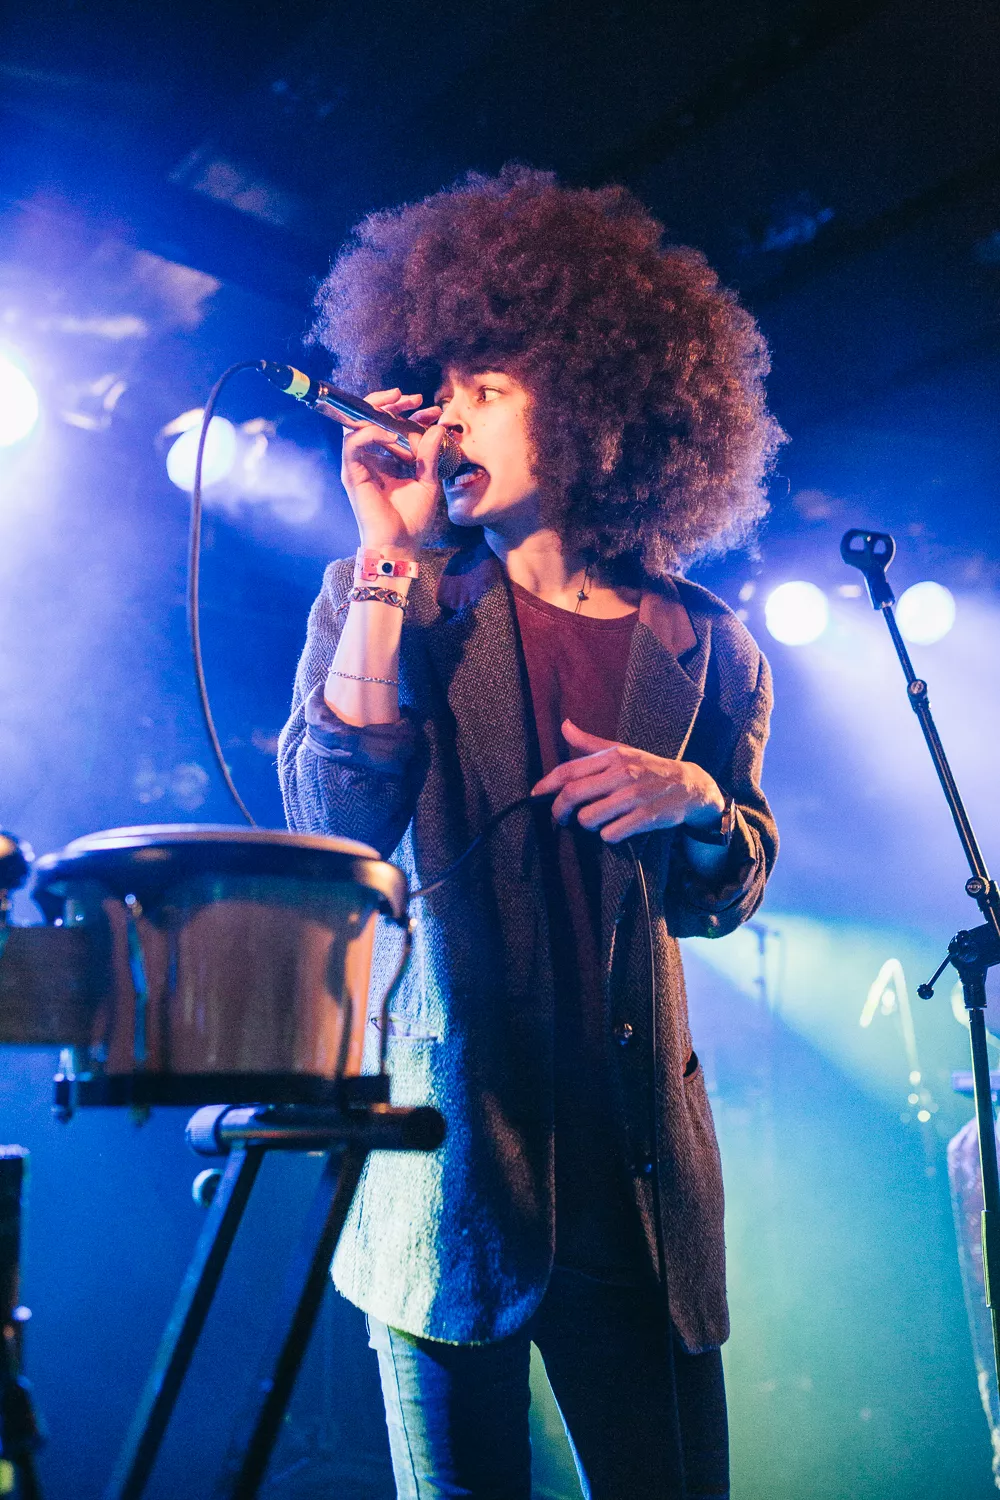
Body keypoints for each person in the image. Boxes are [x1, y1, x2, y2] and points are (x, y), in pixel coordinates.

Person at [279, 166, 782, 1500]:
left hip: (638, 1177)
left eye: (487, 386)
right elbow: (333, 825)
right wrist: (388, 554)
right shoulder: (388, 595)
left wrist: (701, 807)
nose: (447, 414)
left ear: (597, 404)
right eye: (442, 385)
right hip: (452, 1173)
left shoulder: (708, 641)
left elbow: (723, 891)